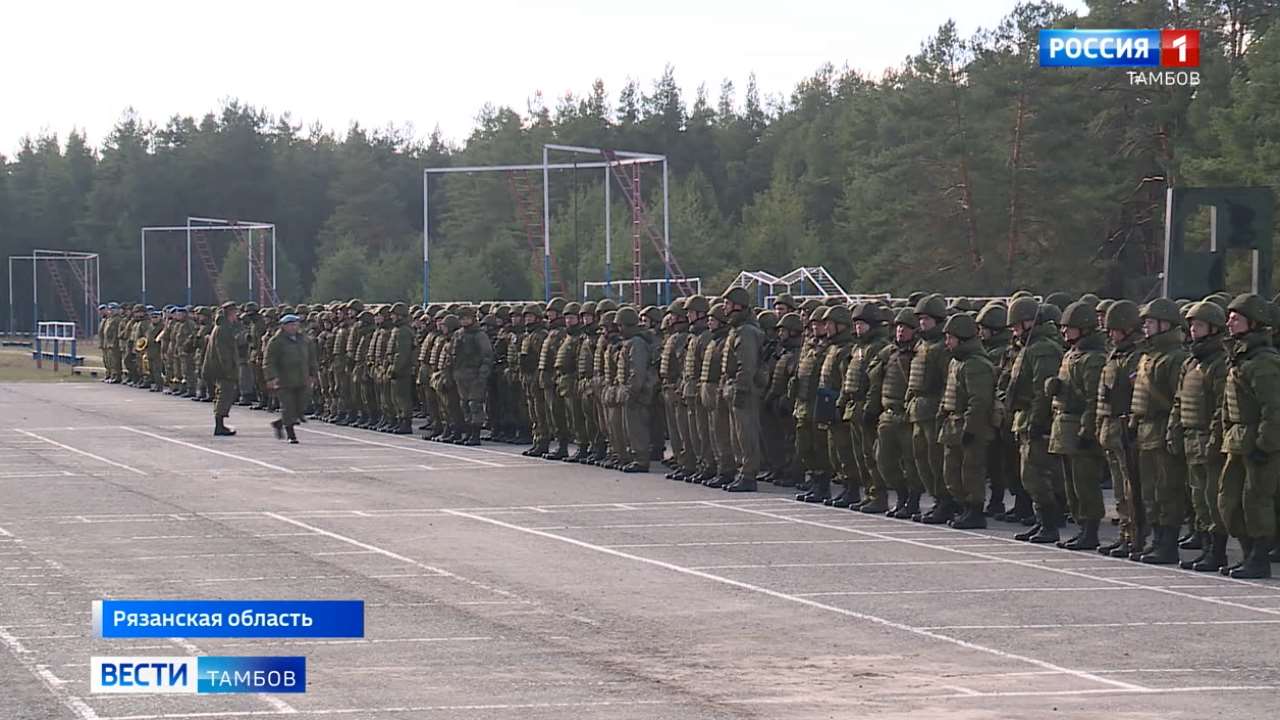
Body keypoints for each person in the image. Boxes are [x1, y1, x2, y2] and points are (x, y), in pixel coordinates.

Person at [1218, 293, 1280, 578]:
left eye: (1236, 318)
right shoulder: (1240, 358)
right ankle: (1247, 553)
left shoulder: (1264, 362)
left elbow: (1274, 407)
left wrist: (1265, 444)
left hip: (1257, 441)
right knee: (1228, 501)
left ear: (1253, 323)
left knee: (1256, 501)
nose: (1229, 322)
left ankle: (1259, 558)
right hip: (1237, 439)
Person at [937, 312, 996, 529]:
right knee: (952, 471)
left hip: (969, 426)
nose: (947, 342)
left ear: (961, 338)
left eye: (950, 337)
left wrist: (971, 428)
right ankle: (963, 508)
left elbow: (979, 401)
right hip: (953, 424)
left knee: (971, 471)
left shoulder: (976, 364)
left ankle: (975, 511)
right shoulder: (957, 362)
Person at [265, 314, 317, 444]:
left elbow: (311, 358)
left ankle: (280, 423)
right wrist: (271, 377)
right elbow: (269, 361)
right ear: (284, 326)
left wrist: (312, 374)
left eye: (296, 324)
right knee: (288, 407)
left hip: (302, 378)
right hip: (284, 379)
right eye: (291, 325)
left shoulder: (304, 340)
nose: (294, 327)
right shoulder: (276, 341)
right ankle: (291, 434)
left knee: (300, 407)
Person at [203, 301, 242, 437]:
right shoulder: (223, 329)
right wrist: (229, 369)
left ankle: (220, 423)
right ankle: (219, 425)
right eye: (235, 313)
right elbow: (223, 351)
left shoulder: (222, 327)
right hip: (222, 368)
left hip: (218, 367)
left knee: (223, 394)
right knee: (224, 394)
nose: (236, 316)